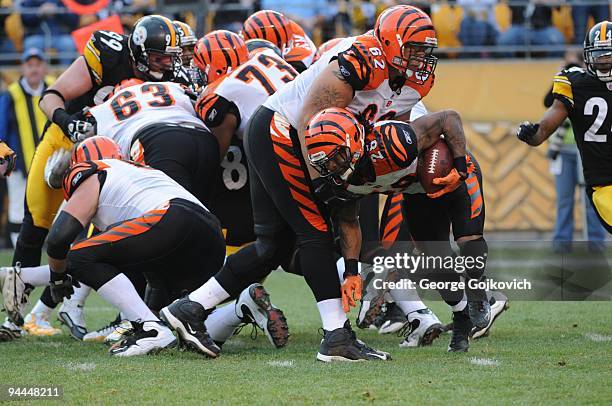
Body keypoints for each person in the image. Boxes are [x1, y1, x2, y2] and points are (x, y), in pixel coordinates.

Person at [9, 15, 185, 341]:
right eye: (159, 57)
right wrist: (67, 121)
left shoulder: (174, 74)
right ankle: (14, 317)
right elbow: (51, 96)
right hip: (64, 140)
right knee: (37, 225)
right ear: (140, 52)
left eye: (169, 58)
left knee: (103, 235)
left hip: (109, 151)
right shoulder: (108, 51)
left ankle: (59, 307)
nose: (166, 64)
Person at [3, 136, 226, 355]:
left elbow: (58, 239)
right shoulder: (142, 173)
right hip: (212, 239)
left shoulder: (95, 171)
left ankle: (150, 327)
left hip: (172, 219)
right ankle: (162, 324)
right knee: (148, 276)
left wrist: (58, 277)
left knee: (81, 256)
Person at [517, 21, 612, 234]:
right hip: (605, 183)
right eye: (600, 56)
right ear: (588, 57)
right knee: (566, 201)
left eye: (609, 55)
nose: (604, 62)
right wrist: (532, 134)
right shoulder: (575, 84)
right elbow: (541, 133)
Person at [544, 51, 606, 252]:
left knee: (592, 200)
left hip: (586, 151)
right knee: (564, 200)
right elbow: (547, 102)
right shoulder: (567, 82)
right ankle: (561, 243)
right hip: (563, 150)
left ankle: (596, 242)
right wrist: (563, 72)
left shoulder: (591, 85)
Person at [20, 0, 79, 65]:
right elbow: (25, 20)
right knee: (31, 43)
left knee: (68, 43)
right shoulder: (31, 1)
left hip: (60, 36)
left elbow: (74, 20)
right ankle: (34, 71)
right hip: (38, 36)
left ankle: (66, 70)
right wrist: (39, 13)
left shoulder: (65, 1)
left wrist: (57, 11)